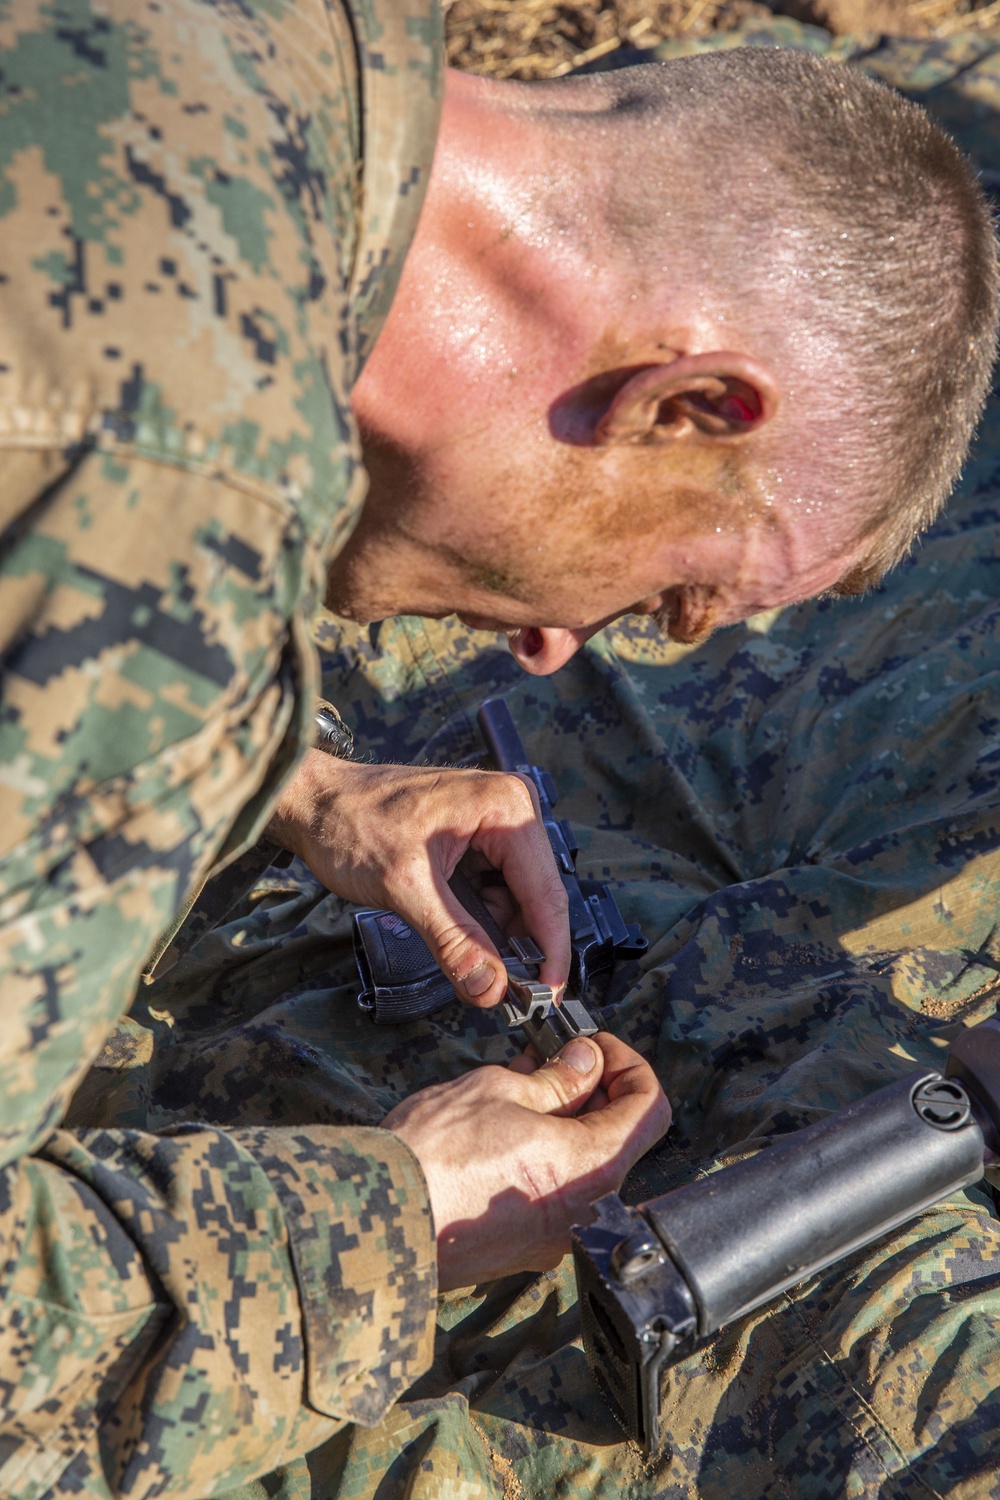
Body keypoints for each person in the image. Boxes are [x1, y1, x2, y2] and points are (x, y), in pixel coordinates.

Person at [0, 3, 995, 1494]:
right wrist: (390, 1217)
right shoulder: (155, 510)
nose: (547, 652)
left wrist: (275, 771)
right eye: (665, 597)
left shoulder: (241, 49)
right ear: (686, 405)